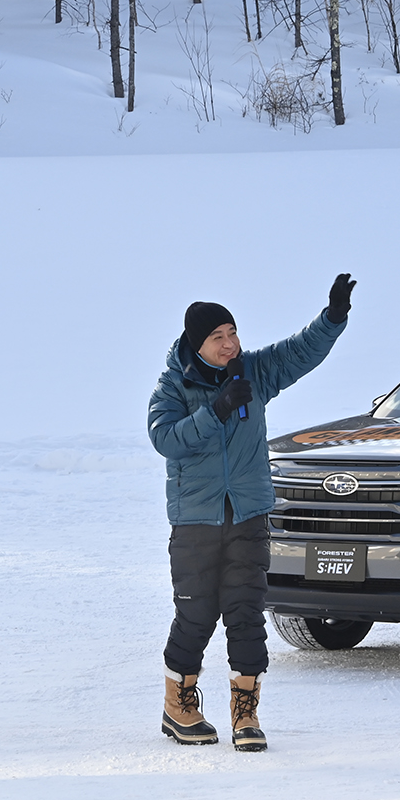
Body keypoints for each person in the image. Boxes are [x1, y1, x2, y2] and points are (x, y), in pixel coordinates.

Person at [148, 274, 356, 752]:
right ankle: (178, 705)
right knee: (196, 615)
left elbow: (298, 352)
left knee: (245, 613)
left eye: (233, 332)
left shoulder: (252, 372)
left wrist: (333, 318)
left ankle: (246, 712)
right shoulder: (171, 388)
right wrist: (216, 410)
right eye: (218, 337)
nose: (231, 343)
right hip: (196, 520)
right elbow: (167, 440)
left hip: (247, 516)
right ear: (196, 344)